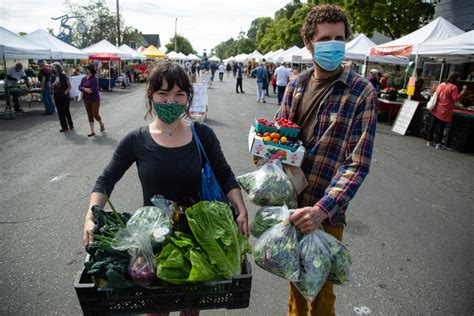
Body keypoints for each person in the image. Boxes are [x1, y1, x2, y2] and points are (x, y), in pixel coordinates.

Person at [83, 62, 249, 315]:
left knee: (191, 307)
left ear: (188, 98)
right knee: (156, 309)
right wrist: (90, 215)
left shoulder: (202, 135)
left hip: (195, 239)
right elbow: (106, 180)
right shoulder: (135, 140)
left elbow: (225, 174)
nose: (170, 100)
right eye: (163, 93)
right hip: (151, 243)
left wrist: (241, 207)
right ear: (150, 96)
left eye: (179, 94)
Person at [276, 4, 377, 315]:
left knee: (320, 294)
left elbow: (357, 163)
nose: (334, 45)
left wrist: (321, 211)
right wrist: (267, 156)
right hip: (292, 206)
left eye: (340, 38)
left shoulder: (361, 92)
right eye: (326, 38)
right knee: (294, 284)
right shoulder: (296, 86)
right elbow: (280, 137)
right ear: (309, 43)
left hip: (326, 213)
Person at [427, 72, 467, 149]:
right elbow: (455, 99)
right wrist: (463, 91)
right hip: (445, 110)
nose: (459, 80)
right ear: (455, 78)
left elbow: (436, 94)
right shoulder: (454, 87)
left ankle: (430, 141)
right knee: (441, 127)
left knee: (433, 125)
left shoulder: (441, 84)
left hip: (437, 108)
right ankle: (438, 144)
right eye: (458, 78)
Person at [79, 63, 104, 137]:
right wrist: (85, 89)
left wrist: (85, 89)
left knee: (95, 114)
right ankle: (92, 131)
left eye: (87, 69)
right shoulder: (84, 78)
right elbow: (79, 87)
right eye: (85, 69)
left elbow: (94, 90)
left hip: (95, 99)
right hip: (86, 99)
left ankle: (101, 123)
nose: (85, 70)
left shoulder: (94, 79)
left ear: (90, 70)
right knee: (89, 115)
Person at [51, 62, 74, 132]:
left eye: (54, 67)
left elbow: (69, 86)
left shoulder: (64, 76)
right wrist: (54, 84)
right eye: (52, 68)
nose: (53, 69)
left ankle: (70, 125)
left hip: (64, 96)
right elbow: (50, 86)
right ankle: (64, 126)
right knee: (60, 112)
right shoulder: (53, 76)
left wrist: (65, 93)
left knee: (66, 111)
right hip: (56, 95)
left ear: (58, 68)